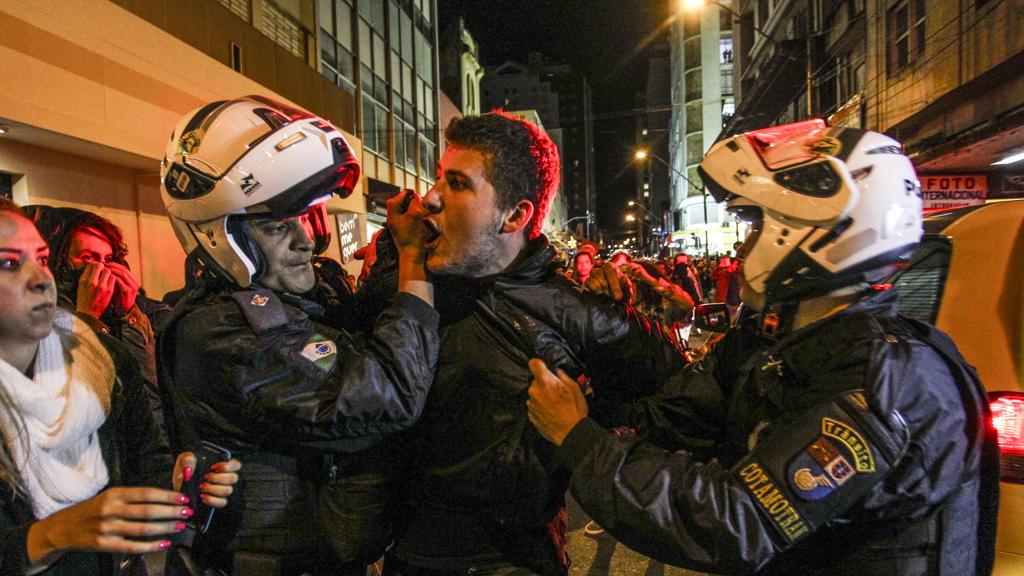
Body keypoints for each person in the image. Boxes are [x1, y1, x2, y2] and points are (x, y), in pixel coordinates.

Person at [525, 121, 999, 575]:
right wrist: (590, 389)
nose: (743, 248)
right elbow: (680, 412)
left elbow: (735, 521)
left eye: (757, 227)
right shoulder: (779, 340)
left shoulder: (882, 378)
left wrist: (580, 440)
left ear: (814, 231)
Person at [362, 111, 689, 576]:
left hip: (515, 562)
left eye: (457, 184)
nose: (430, 197)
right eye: (438, 178)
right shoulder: (408, 287)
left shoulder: (576, 311)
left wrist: (587, 431)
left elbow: (682, 401)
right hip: (405, 559)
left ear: (515, 215)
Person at [156, 96, 440, 576]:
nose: (305, 240)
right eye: (276, 227)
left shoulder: (284, 303)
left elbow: (356, 336)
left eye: (305, 216)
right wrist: (413, 264)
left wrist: (392, 254)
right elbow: (388, 393)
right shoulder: (220, 332)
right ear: (219, 236)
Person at [0, 198, 240, 575]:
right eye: (9, 263)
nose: (39, 278)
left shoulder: (109, 356)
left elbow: (145, 460)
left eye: (42, 259)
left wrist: (180, 482)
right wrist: (51, 534)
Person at [22, 205, 169, 393]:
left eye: (108, 259)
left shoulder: (150, 314)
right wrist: (87, 318)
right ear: (57, 263)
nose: (102, 269)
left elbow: (147, 396)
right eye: (88, 257)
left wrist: (129, 316)